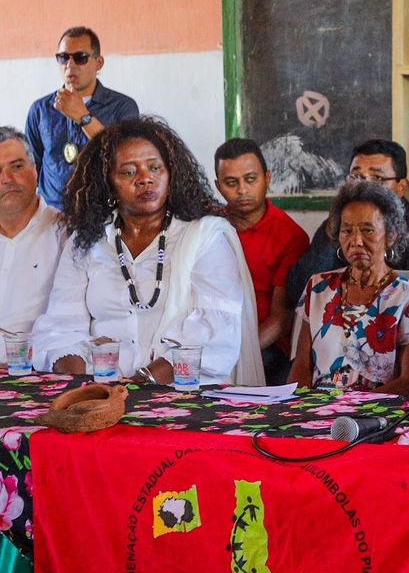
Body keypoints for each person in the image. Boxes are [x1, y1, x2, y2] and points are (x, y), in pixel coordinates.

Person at [31, 117, 264, 386]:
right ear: (108, 183)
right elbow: (62, 325)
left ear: (171, 174)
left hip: (179, 394)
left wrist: (140, 384)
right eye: (129, 172)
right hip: (98, 392)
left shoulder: (204, 237)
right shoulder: (87, 241)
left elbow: (213, 333)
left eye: (155, 168)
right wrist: (84, 385)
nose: (145, 179)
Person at [286, 138, 409, 304]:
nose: (364, 185)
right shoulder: (337, 224)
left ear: (401, 187)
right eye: (357, 176)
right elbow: (299, 291)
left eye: (377, 178)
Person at [290, 182, 409, 400]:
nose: (356, 241)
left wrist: (348, 407)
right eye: (346, 231)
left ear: (391, 235)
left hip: (374, 414)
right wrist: (300, 408)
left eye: (368, 230)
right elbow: (301, 367)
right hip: (315, 410)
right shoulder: (318, 288)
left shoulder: (408, 296)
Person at [215, 138, 309, 385]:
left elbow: (280, 320)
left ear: (267, 178)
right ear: (218, 186)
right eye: (231, 183)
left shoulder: (290, 235)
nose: (243, 190)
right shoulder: (208, 226)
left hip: (264, 345)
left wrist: (235, 355)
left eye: (251, 179)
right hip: (210, 337)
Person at [24, 26, 139, 209]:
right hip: (53, 216)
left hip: (103, 214)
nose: (70, 65)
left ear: (99, 63)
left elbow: (125, 161)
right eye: (63, 58)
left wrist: (83, 117)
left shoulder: (122, 106)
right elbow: (31, 167)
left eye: (80, 58)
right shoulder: (40, 110)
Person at [0, 127, 66, 360]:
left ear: (35, 170)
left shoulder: (66, 233)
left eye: (16, 167)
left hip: (39, 372)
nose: (6, 179)